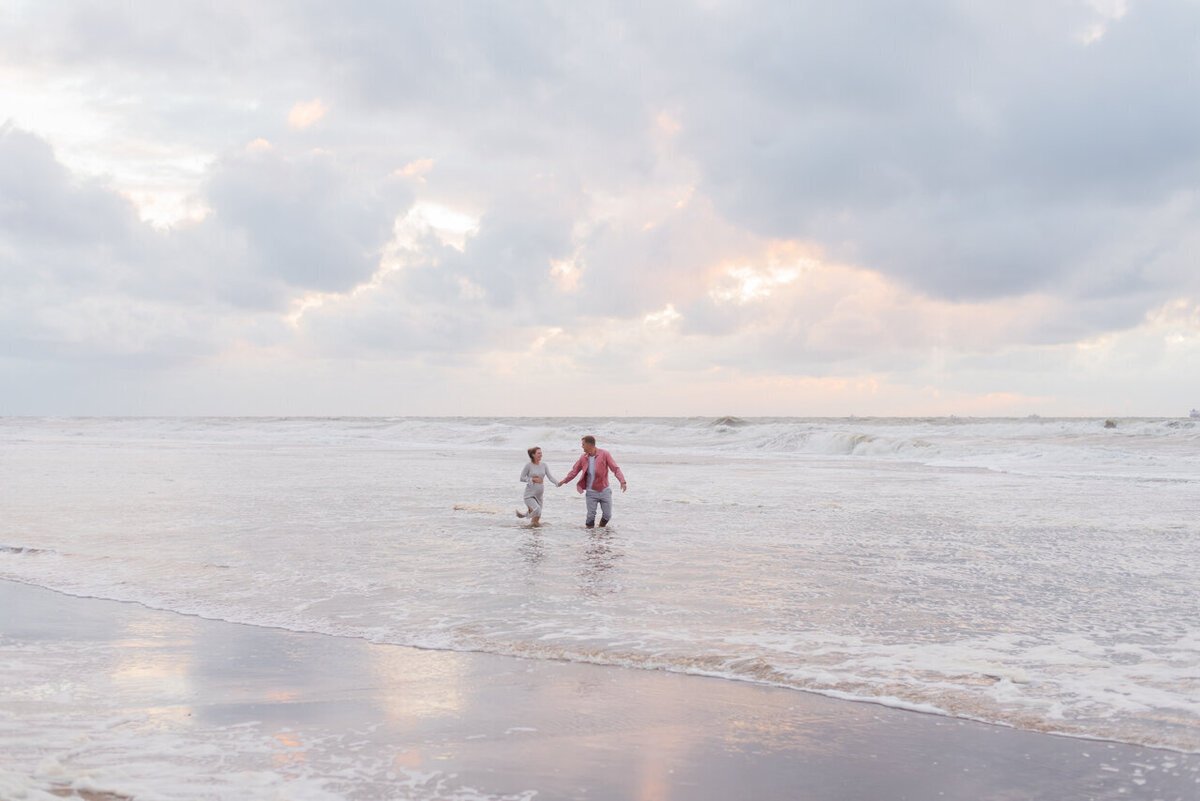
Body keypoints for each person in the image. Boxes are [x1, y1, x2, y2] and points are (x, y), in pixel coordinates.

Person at [558, 435, 626, 528]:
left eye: (583, 444)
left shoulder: (604, 454)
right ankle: (590, 538)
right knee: (590, 517)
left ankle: (600, 529)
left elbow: (615, 469)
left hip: (604, 491)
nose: (582, 446)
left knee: (607, 515)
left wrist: (622, 481)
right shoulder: (583, 457)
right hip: (591, 492)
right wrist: (564, 481)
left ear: (590, 445)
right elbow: (574, 471)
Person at [516, 446, 559, 527]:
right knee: (537, 510)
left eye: (541, 453)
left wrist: (558, 483)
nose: (541, 455)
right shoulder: (528, 465)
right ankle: (524, 515)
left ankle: (533, 536)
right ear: (533, 455)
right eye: (539, 453)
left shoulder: (544, 465)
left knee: (535, 522)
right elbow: (521, 478)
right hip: (529, 495)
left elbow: (550, 477)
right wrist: (533, 479)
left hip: (539, 496)